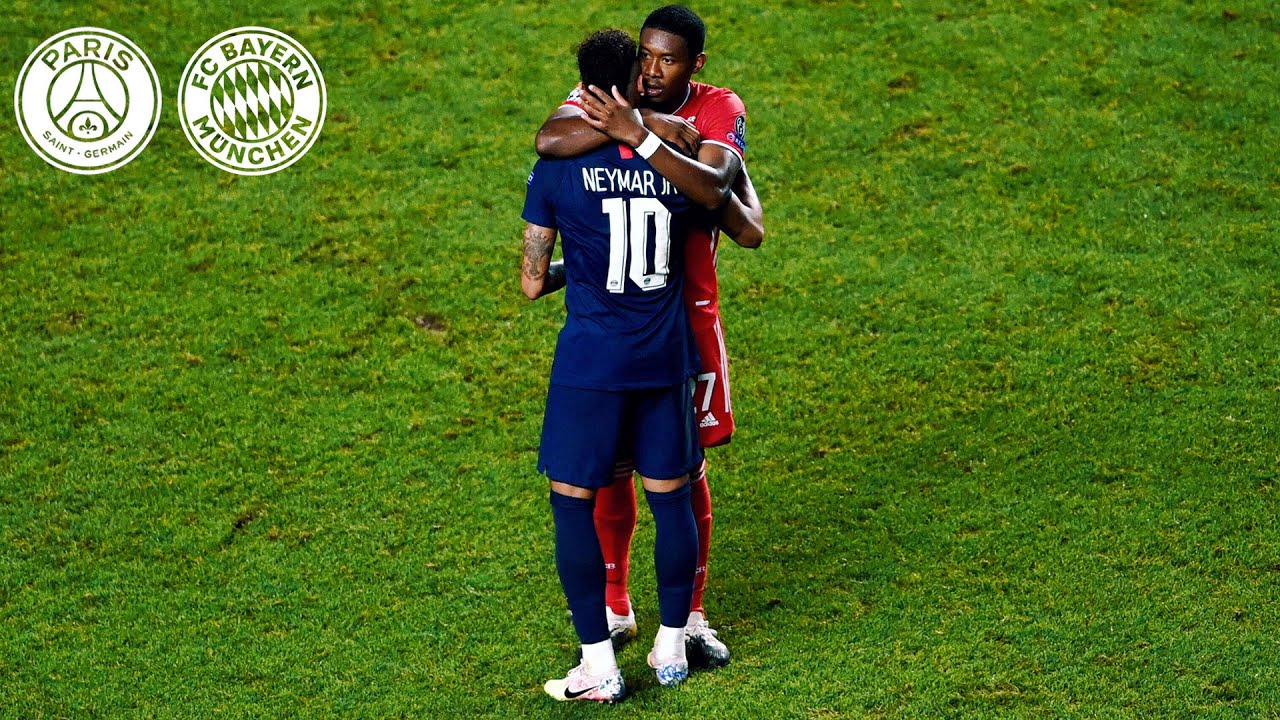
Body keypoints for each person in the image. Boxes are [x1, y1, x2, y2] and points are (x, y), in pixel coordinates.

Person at [521, 29, 761, 703]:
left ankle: (610, 653)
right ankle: (662, 632)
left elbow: (533, 278)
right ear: (632, 76)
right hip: (667, 349)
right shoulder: (675, 158)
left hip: (601, 358)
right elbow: (742, 222)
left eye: (670, 59)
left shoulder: (564, 166)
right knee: (675, 487)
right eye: (647, 61)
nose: (657, 71)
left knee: (581, 495)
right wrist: (656, 137)